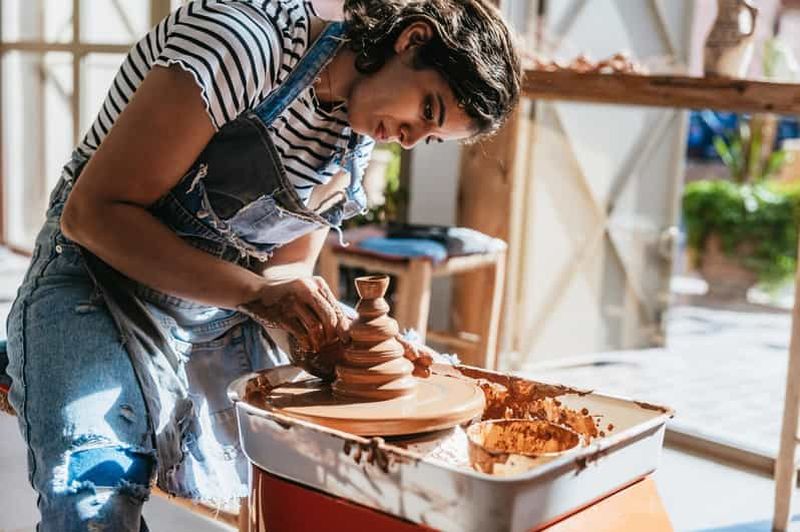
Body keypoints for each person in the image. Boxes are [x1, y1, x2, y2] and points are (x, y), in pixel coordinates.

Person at [4, 0, 521, 529]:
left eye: (430, 137)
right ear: (411, 39)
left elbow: (281, 273)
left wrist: (341, 333)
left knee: (280, 490)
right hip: (96, 281)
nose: (410, 138)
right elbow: (92, 214)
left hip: (213, 314)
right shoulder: (244, 43)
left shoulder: (352, 142)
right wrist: (256, 295)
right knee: (95, 496)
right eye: (428, 109)